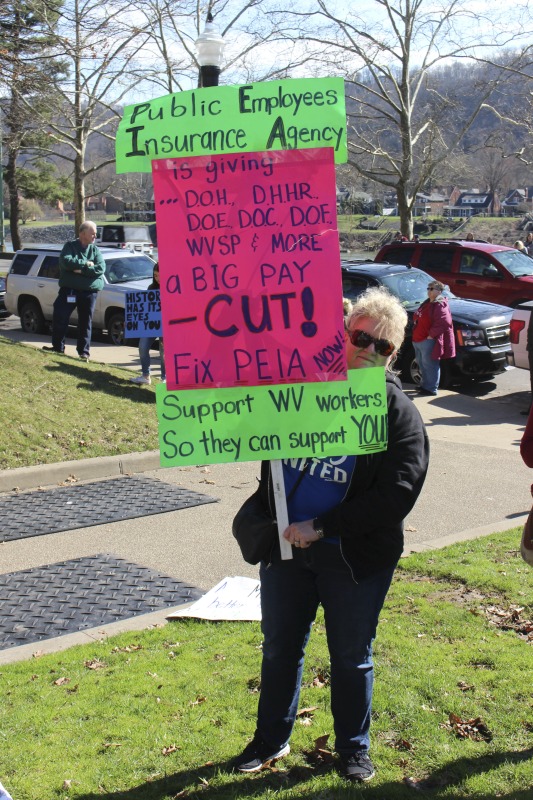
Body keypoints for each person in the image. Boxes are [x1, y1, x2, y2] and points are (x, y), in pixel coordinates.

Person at [234, 287, 429, 782]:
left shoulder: (396, 413)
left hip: (353, 558)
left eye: (383, 346)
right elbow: (259, 439)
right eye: (360, 336)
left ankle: (353, 750)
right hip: (285, 550)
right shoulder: (298, 391)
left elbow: (397, 493)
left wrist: (321, 527)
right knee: (279, 648)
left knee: (350, 656)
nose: (368, 349)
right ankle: (269, 740)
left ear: (394, 355)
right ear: (341, 335)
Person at [43, 221, 105, 360]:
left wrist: (78, 270)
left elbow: (100, 269)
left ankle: (83, 352)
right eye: (92, 233)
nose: (95, 235)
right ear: (82, 233)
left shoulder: (95, 250)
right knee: (60, 316)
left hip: (89, 293)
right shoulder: (70, 246)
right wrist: (87, 264)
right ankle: (58, 347)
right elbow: (66, 262)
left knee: (85, 323)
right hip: (69, 291)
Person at [412, 280, 455, 396]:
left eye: (432, 289)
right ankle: (424, 385)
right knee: (421, 363)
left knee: (430, 365)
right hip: (418, 339)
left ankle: (431, 388)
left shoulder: (440, 305)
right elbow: (417, 315)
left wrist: (431, 335)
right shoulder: (427, 303)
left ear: (439, 291)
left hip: (428, 340)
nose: (429, 291)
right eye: (428, 288)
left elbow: (445, 322)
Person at [130, 262, 165, 385]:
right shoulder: (151, 288)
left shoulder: (173, 288)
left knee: (164, 352)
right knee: (143, 347)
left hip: (166, 326)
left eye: (160, 275)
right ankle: (145, 375)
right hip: (151, 324)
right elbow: (144, 308)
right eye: (155, 275)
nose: (158, 278)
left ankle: (164, 379)